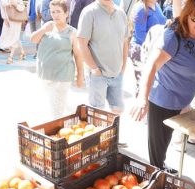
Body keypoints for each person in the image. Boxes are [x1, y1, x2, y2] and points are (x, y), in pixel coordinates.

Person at [130, 0, 195, 172]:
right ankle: (156, 178)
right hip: (164, 99)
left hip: (183, 101)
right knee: (158, 147)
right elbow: (151, 65)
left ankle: (160, 168)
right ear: (187, 15)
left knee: (168, 139)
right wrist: (142, 98)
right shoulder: (173, 37)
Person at [77, 0, 130, 145]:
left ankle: (112, 138)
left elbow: (125, 42)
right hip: (97, 73)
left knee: (117, 108)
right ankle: (96, 143)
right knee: (96, 112)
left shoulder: (120, 13)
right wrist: (94, 69)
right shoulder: (89, 12)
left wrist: (123, 67)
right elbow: (81, 43)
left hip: (117, 72)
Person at [31, 0, 83, 119]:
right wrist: (43, 29)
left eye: (58, 12)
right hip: (45, 75)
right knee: (59, 103)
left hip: (62, 76)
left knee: (56, 112)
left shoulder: (72, 32)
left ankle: (57, 134)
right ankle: (79, 117)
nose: (55, 15)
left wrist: (80, 75)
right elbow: (33, 39)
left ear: (66, 13)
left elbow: (78, 55)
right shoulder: (47, 27)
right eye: (53, 12)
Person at [130, 0, 166, 98]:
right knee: (142, 85)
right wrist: (158, 39)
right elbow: (140, 34)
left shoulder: (156, 5)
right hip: (140, 50)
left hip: (154, 49)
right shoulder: (141, 8)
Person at [0, 0, 27, 64]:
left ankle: (11, 57)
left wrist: (15, 4)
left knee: (15, 36)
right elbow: (2, 8)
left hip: (16, 19)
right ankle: (23, 53)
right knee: (11, 36)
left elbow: (22, 7)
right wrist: (5, 19)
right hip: (7, 20)